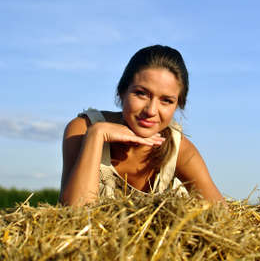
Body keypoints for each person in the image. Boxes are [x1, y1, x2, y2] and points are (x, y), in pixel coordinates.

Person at [59, 45, 226, 206]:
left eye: (166, 101)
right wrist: (97, 134)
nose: (151, 110)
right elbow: (74, 215)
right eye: (141, 94)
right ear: (121, 91)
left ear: (177, 105)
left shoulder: (179, 148)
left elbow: (220, 216)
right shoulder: (83, 129)